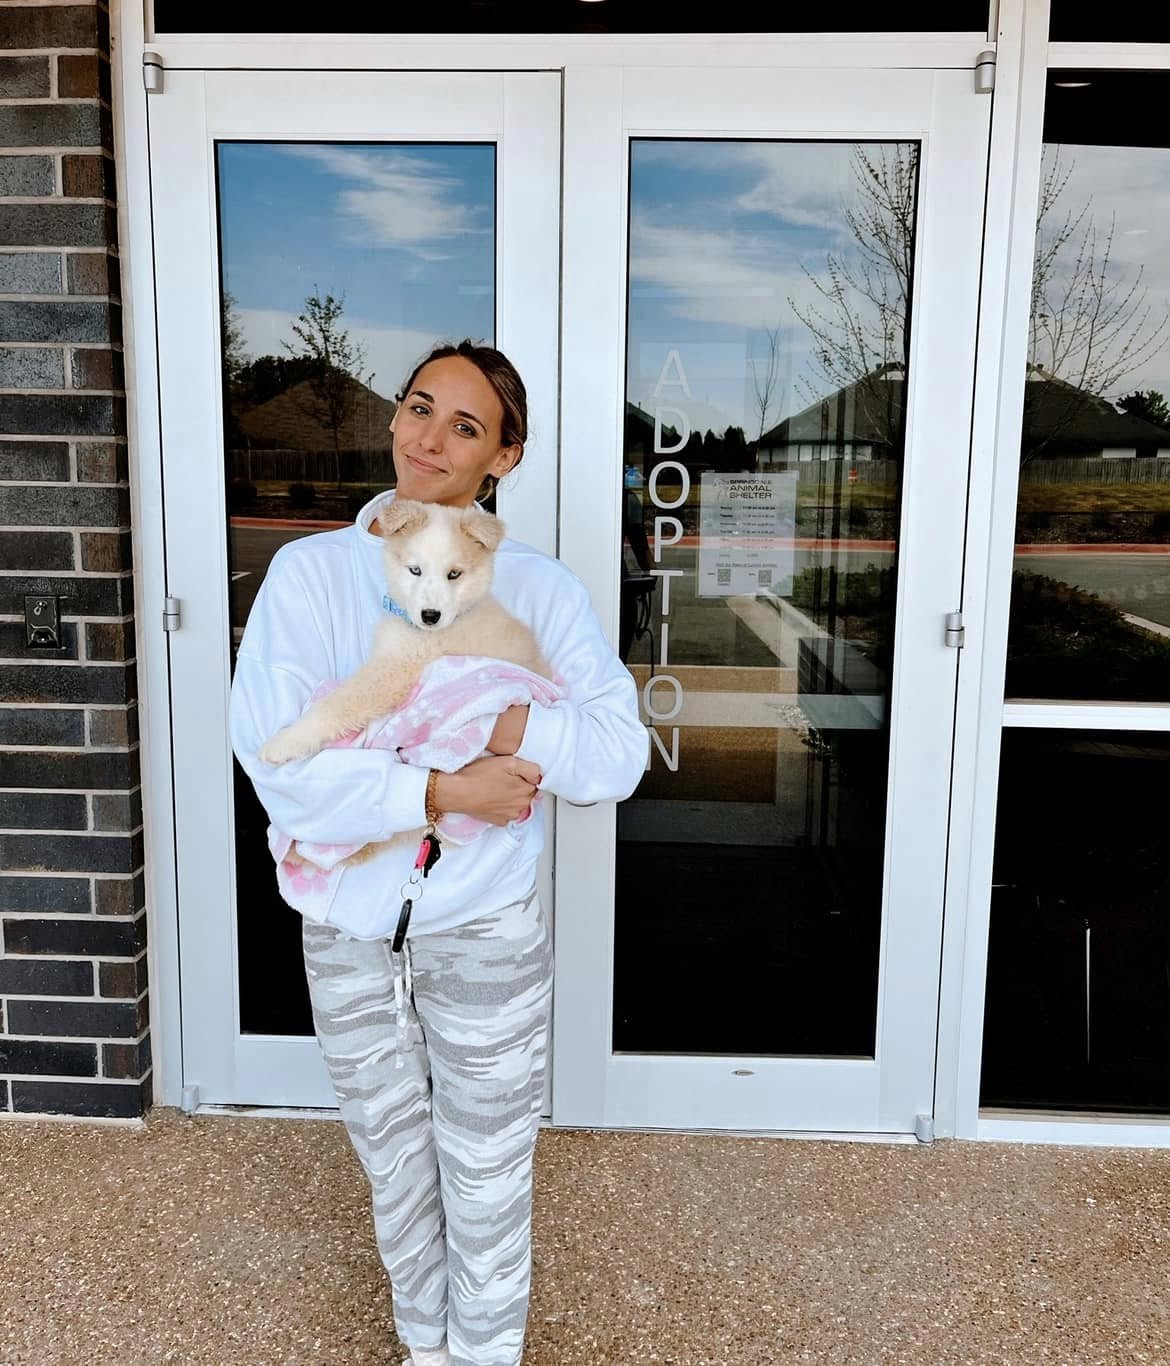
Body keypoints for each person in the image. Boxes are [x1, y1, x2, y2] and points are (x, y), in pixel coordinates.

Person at [229, 340, 648, 1366]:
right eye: (420, 408)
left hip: (485, 925)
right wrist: (438, 790)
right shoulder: (310, 575)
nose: (431, 437)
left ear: (503, 456)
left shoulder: (539, 590)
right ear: (392, 419)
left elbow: (616, 755)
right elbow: (276, 760)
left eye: (466, 425)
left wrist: (513, 728)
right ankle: (428, 1345)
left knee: (489, 1164)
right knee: (395, 1161)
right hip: (346, 927)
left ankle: (484, 1355)